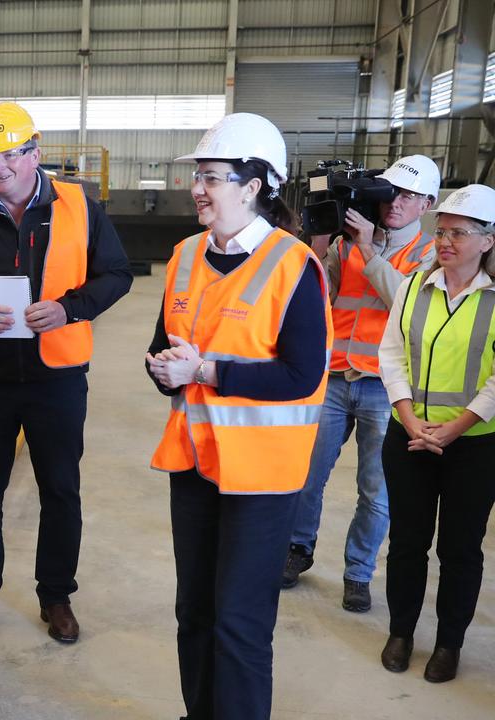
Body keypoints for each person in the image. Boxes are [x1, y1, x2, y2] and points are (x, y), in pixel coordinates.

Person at [0, 101, 132, 645]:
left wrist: (71, 308)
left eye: (10, 155)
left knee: (60, 490)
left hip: (56, 376)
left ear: (34, 154)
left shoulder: (80, 209)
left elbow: (117, 274)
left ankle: (56, 595)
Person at [145, 113, 331, 720]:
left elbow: (301, 376)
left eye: (213, 178)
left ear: (254, 186)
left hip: (262, 479)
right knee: (194, 612)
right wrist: (163, 369)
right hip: (195, 465)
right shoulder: (182, 258)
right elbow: (162, 348)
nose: (199, 189)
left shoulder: (293, 266)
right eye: (198, 177)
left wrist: (203, 373)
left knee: (240, 624)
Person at [282, 155, 439, 612]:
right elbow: (318, 296)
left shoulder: (428, 253)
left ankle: (357, 573)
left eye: (408, 196)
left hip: (384, 387)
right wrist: (319, 243)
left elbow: (407, 305)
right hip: (333, 376)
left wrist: (369, 249)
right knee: (307, 475)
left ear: (427, 203)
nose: (396, 202)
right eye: (392, 192)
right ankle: (297, 550)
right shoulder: (349, 243)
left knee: (376, 489)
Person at [377, 183, 495, 684]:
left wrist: (458, 425)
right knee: (406, 540)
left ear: (488, 240)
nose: (445, 242)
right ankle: (401, 631)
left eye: (459, 233)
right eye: (441, 231)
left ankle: (449, 643)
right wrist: (407, 417)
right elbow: (391, 353)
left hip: (474, 445)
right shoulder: (414, 284)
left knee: (460, 548)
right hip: (408, 436)